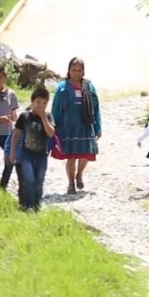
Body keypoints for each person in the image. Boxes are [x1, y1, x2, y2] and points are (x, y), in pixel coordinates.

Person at [52, 57, 102, 195]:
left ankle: (79, 174)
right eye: (74, 70)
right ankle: (71, 183)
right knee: (71, 156)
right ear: (69, 70)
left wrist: (98, 127)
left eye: (79, 70)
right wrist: (53, 126)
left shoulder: (89, 86)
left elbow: (96, 108)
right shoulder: (62, 87)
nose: (76, 73)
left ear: (83, 71)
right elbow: (56, 108)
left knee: (86, 154)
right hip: (68, 125)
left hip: (86, 124)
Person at [9, 87, 55, 211]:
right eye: (38, 102)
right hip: (26, 154)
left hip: (41, 154)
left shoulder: (48, 116)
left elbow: (51, 133)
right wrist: (12, 152)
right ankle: (28, 204)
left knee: (39, 180)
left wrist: (44, 118)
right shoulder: (24, 116)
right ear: (32, 102)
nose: (41, 106)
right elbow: (16, 134)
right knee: (29, 179)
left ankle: (36, 204)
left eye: (44, 103)